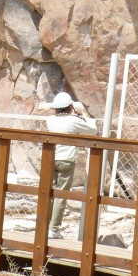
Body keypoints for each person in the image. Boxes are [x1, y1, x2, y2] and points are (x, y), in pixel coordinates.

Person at [45, 92, 98, 239]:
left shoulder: (50, 120)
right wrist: (83, 115)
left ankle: (44, 225)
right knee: (61, 194)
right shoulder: (74, 121)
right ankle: (53, 229)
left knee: (49, 192)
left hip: (51, 158)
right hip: (66, 160)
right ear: (70, 107)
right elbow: (93, 130)